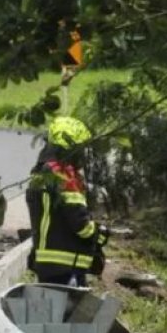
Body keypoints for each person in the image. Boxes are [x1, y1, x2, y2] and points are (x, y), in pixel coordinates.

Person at [25, 116, 109, 287]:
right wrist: (100, 233)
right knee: (68, 313)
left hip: (46, 263)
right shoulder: (64, 178)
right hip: (67, 267)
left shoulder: (40, 175)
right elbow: (81, 225)